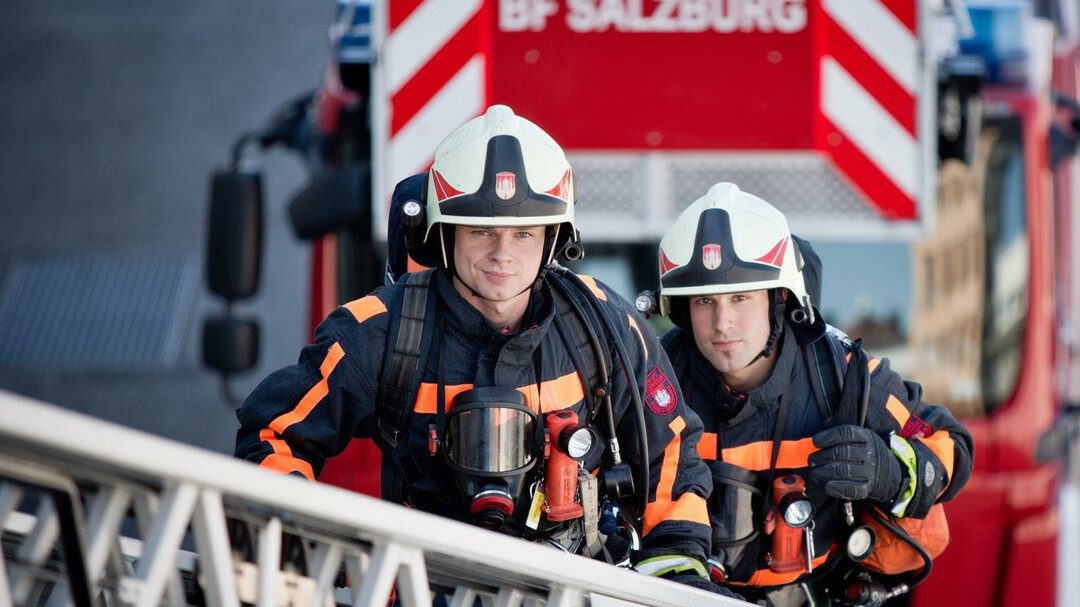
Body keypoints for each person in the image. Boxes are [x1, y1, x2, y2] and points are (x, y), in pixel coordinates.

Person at [235, 105, 725, 593]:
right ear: (443, 234)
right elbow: (271, 433)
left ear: (554, 239)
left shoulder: (602, 324)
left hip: (574, 589)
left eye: (524, 233)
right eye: (481, 229)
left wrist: (676, 567)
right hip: (427, 587)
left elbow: (672, 450)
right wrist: (299, 550)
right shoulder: (383, 333)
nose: (502, 253)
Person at [653, 182, 974, 606]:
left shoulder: (845, 379)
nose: (722, 323)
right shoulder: (655, 376)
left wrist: (890, 471)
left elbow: (954, 446)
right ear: (682, 307)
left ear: (779, 300)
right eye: (705, 302)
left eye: (741, 298)